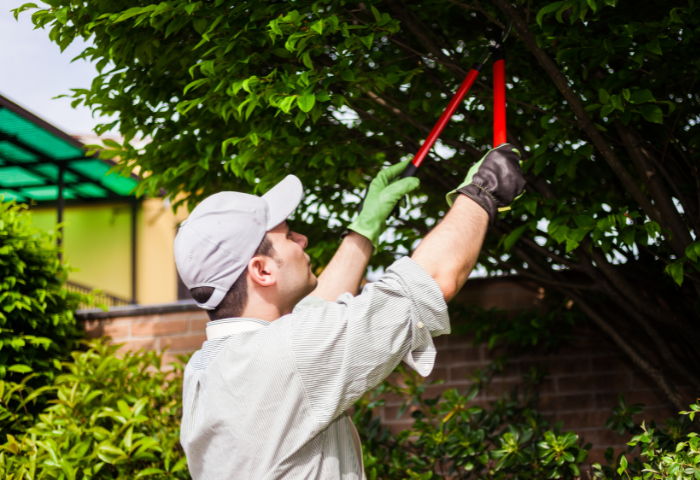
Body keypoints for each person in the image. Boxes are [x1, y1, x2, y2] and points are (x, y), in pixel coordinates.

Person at [175, 144, 526, 480]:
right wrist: (482, 193)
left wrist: (366, 224)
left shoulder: (207, 368)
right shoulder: (285, 355)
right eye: (288, 235)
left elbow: (317, 315)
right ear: (262, 271)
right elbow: (428, 282)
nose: (302, 240)